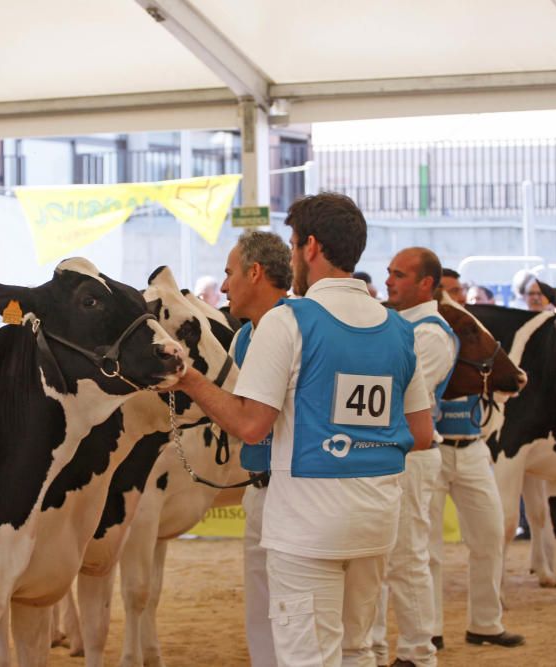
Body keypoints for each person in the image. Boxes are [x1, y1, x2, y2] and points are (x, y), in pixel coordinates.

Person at [172, 193, 434, 666]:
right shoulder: (397, 329)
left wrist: (189, 379)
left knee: (307, 655)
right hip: (377, 515)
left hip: (309, 522)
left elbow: (251, 425)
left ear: (310, 247)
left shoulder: (289, 321)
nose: (291, 255)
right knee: (357, 649)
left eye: (293, 244)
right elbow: (421, 433)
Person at [372, 247, 456, 667]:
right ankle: (376, 647)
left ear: (426, 283)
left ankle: (419, 653)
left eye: (399, 274)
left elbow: (394, 389)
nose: (389, 281)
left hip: (413, 451)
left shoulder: (431, 333)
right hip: (389, 449)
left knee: (407, 557)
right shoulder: (398, 323)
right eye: (389, 272)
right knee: (380, 556)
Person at [428, 306, 526, 651]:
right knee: (428, 548)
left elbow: (505, 386)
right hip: (435, 451)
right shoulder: (431, 342)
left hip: (472, 448)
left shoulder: (477, 345)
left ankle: (486, 623)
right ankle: (430, 629)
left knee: (490, 534)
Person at [220, 230, 292, 667]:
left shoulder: (301, 325)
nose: (224, 285)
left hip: (298, 487)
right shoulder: (243, 338)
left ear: (255, 272)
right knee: (262, 605)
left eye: (230, 273)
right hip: (260, 486)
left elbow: (247, 421)